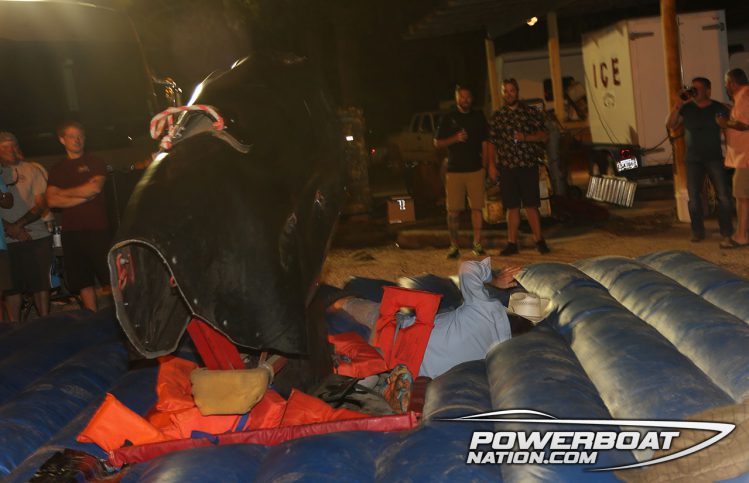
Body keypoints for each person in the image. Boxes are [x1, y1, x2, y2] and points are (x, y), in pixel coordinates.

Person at [333, 259, 517, 379]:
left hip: (393, 333)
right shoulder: (495, 362)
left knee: (374, 311)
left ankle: (342, 302)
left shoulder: (483, 310)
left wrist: (495, 279)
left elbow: (467, 267)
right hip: (399, 370)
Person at [46, 121, 111, 311]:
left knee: (109, 276)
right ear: (62, 140)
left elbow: (95, 188)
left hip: (97, 228)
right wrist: (84, 195)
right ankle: (92, 317)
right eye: (72, 136)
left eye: (80, 135)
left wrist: (63, 193)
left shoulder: (95, 161)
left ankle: (121, 315)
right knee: (82, 280)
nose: (77, 139)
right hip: (72, 231)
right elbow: (51, 200)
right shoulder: (57, 168)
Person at [667, 76, 733, 243]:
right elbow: (671, 124)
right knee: (694, 197)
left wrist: (730, 151)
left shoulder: (717, 107)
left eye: (697, 88)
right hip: (693, 159)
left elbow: (727, 127)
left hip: (713, 157)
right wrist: (678, 105)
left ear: (708, 90)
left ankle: (726, 230)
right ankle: (697, 232)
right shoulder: (687, 108)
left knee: (723, 195)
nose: (694, 91)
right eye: (692, 88)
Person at [489, 78, 550, 256]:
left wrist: (526, 137)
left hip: (527, 165)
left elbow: (544, 135)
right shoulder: (497, 116)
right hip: (507, 167)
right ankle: (512, 243)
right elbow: (491, 143)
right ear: (502, 94)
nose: (509, 94)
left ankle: (539, 240)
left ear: (517, 92)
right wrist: (491, 165)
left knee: (531, 205)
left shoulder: (529, 112)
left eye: (512, 90)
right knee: (512, 207)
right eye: (505, 91)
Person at [434, 85, 491, 259]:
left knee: (477, 209)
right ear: (456, 98)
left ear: (471, 99)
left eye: (467, 97)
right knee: (453, 211)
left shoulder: (478, 116)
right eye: (462, 97)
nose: (465, 100)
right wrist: (455, 138)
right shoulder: (448, 117)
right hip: (454, 170)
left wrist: (485, 166)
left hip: (475, 169)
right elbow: (437, 143)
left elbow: (486, 142)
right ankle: (454, 246)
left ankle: (477, 244)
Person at [0, 132, 53, 321]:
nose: (10, 150)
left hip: (36, 235)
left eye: (13, 145)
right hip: (6, 239)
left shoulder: (32, 169)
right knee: (11, 288)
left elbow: (40, 204)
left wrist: (18, 226)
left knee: (41, 285)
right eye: (4, 147)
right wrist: (10, 228)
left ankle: (45, 323)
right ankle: (15, 329)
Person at [716, 68, 749, 248]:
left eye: (726, 84)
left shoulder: (743, 97)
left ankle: (741, 236)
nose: (726, 87)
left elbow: (744, 125)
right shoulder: (743, 97)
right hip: (744, 156)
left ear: (732, 83)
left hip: (745, 157)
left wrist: (724, 122)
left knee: (742, 197)